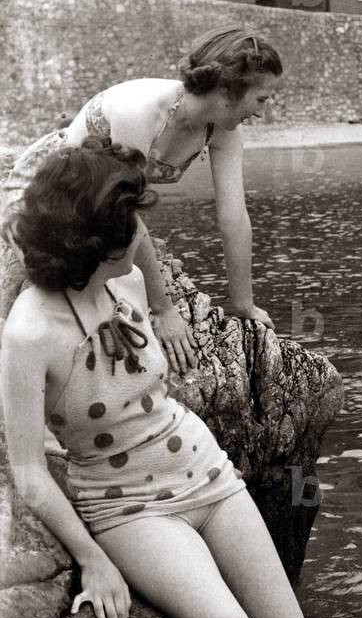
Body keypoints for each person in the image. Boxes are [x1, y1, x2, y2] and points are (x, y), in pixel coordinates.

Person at [0, 140, 360, 618]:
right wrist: (94, 558)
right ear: (84, 242)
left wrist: (163, 306)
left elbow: (143, 251)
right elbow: (30, 473)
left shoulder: (122, 269)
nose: (138, 235)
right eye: (124, 225)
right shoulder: (29, 334)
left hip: (204, 468)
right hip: (130, 507)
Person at [0, 25, 282, 373]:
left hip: (99, 208)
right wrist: (163, 308)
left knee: (119, 289)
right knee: (81, 302)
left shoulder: (221, 131)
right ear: (228, 90)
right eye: (262, 99)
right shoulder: (141, 110)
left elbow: (234, 219)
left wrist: (244, 304)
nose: (261, 113)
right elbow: (126, 210)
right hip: (47, 194)